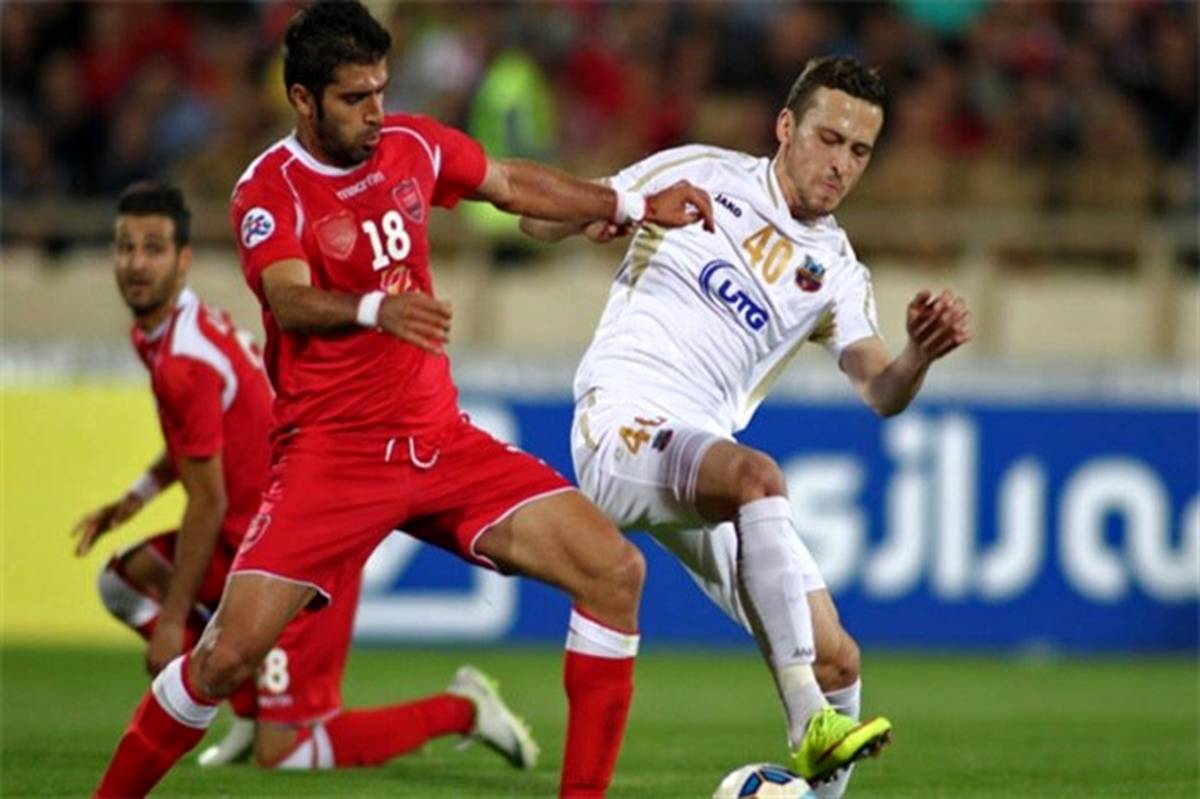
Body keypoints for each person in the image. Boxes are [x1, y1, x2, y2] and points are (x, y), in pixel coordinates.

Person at [92, 3, 713, 797]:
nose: (376, 112)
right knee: (225, 658)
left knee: (614, 570)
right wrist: (372, 309)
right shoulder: (269, 190)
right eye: (354, 98)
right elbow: (287, 299)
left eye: (381, 90)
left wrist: (627, 205)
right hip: (333, 457)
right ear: (303, 99)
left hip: (439, 442)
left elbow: (509, 183)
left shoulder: (411, 144)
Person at [521, 55, 971, 793]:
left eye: (860, 151)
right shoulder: (699, 171)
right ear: (786, 126)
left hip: (701, 459)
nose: (841, 164)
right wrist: (607, 210)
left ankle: (818, 752)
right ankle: (805, 719)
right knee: (758, 477)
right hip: (621, 420)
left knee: (838, 660)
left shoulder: (837, 271)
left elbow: (880, 389)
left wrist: (919, 354)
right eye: (829, 139)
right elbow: (536, 219)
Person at [83, 181, 542, 780]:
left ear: (183, 259)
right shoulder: (170, 334)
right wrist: (137, 496)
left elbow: (207, 499)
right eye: (125, 248)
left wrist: (172, 623)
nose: (137, 264)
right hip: (244, 536)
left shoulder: (184, 360)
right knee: (122, 579)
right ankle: (248, 705)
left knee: (289, 753)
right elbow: (198, 444)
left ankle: (462, 710)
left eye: (153, 249)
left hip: (293, 543)